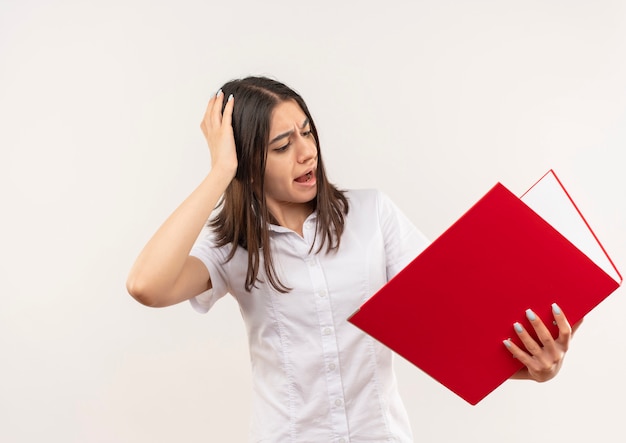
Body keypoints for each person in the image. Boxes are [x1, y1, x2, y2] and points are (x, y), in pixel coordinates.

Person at [126, 76, 578, 442]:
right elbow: (146, 285)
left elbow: (448, 327)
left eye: (307, 132)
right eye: (281, 146)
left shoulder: (372, 214)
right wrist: (220, 171)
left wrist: (532, 367)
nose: (306, 152)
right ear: (247, 162)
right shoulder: (234, 246)